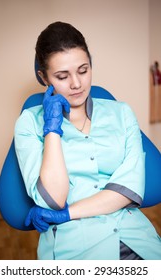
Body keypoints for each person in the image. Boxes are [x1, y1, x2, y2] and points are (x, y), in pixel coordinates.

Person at [14, 21, 161, 260]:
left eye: (83, 70)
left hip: (137, 241)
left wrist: (68, 213)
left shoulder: (122, 113)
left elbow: (129, 188)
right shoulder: (29, 123)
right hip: (77, 251)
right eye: (62, 76)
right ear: (43, 77)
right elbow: (53, 198)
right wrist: (52, 129)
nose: (76, 84)